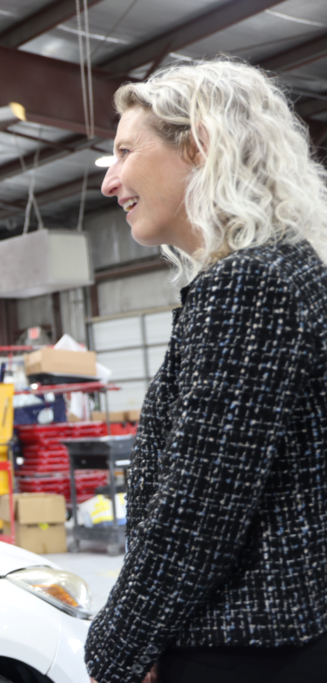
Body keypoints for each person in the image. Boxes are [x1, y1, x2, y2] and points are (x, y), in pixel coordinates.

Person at [84, 59, 327, 683]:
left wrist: (115, 648)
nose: (110, 181)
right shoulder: (290, 271)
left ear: (199, 144)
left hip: (246, 646)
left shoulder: (250, 284)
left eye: (125, 151)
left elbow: (201, 506)